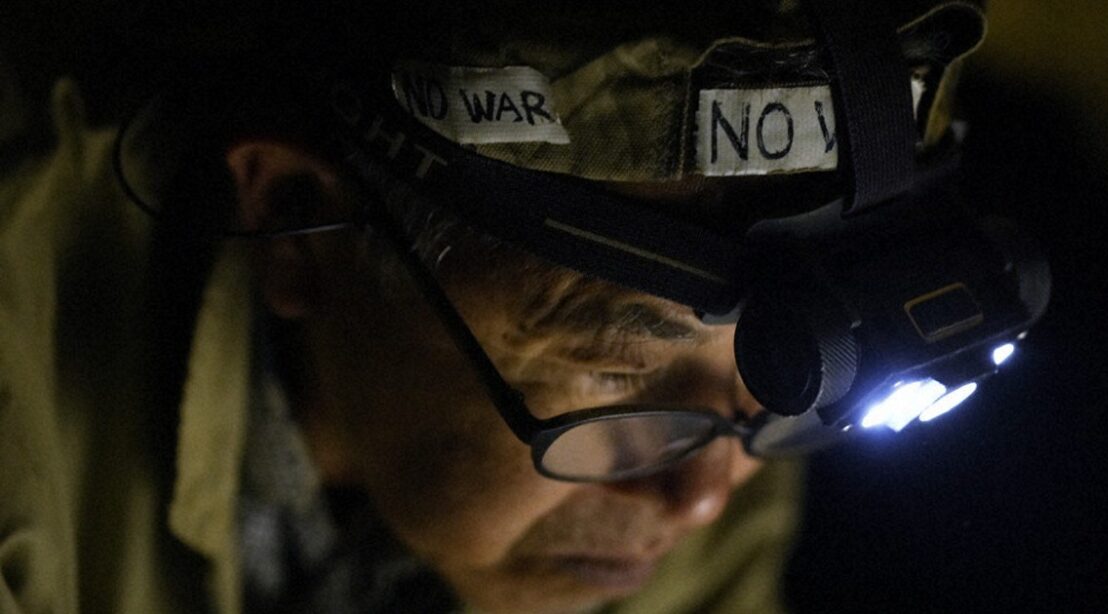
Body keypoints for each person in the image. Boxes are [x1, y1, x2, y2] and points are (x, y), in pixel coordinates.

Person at [1, 1, 998, 612]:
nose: (702, 498)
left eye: (795, 377)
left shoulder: (726, 438)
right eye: (619, 375)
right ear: (302, 224)